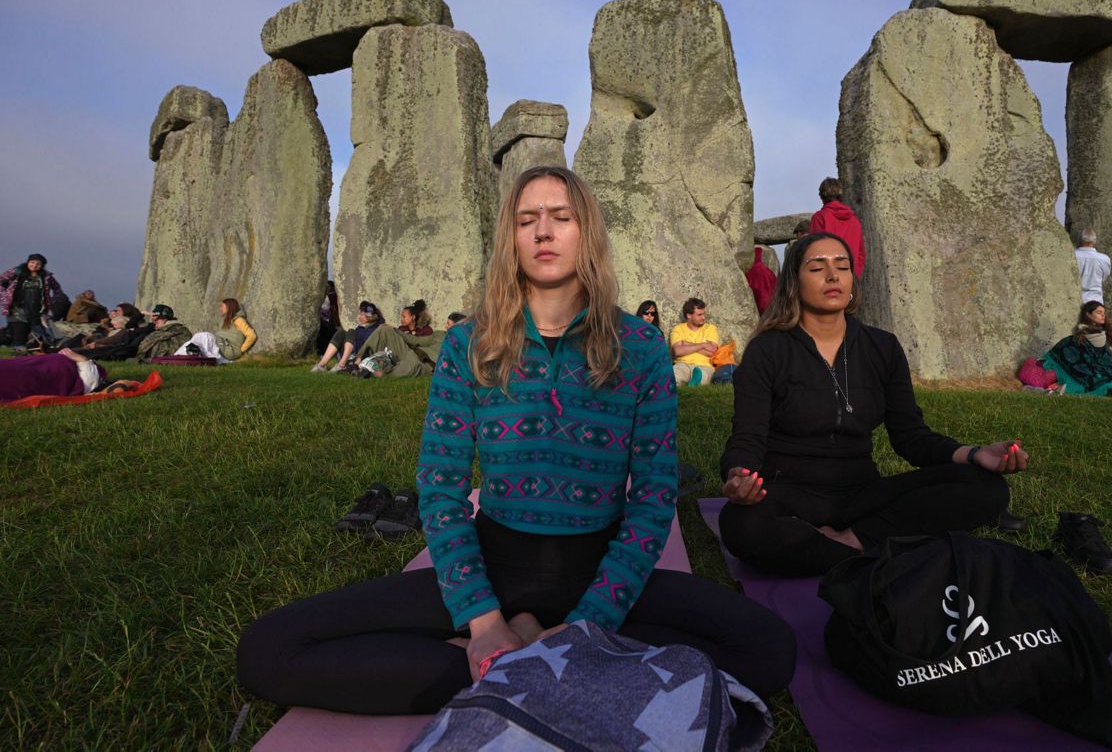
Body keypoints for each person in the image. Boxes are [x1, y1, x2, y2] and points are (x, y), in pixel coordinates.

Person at [237, 165, 795, 715]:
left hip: (600, 569)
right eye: (527, 219)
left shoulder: (642, 348)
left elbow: (652, 498)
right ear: (511, 237)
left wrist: (586, 625)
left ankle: (528, 660)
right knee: (270, 650)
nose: (544, 232)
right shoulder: (467, 345)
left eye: (561, 217)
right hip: (493, 564)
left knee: (769, 649)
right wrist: (482, 620)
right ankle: (521, 659)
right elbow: (441, 487)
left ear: (588, 233)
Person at [717, 233, 1024, 576]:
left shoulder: (883, 347)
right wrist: (738, 476)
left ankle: (853, 543)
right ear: (794, 282)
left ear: (852, 280)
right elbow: (748, 436)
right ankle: (885, 553)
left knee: (986, 488)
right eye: (817, 268)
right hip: (790, 495)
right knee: (740, 525)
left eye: (842, 267)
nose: (832, 276)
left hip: (862, 495)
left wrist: (974, 454)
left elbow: (912, 438)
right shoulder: (768, 349)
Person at [1040, 303, 1112, 397]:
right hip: (1101, 373)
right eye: (1099, 312)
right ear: (1088, 314)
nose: (1103, 315)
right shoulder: (1079, 338)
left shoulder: (1110, 334)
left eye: (1104, 312)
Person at [0, 254, 64, 349]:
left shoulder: (46, 277)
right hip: (16, 309)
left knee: (44, 334)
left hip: (37, 311)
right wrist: (4, 296)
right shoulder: (16, 271)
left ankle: (48, 350)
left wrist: (52, 300)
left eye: (38, 264)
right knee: (20, 332)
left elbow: (57, 289)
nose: (34, 265)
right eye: (32, 262)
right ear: (28, 262)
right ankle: (20, 353)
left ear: (42, 266)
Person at [808, 177, 866, 278]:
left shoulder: (819, 218)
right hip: (850, 275)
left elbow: (813, 250)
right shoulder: (855, 221)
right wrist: (854, 274)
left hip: (828, 276)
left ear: (822, 196)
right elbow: (861, 254)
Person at [0, 348, 108, 402]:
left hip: (57, 371)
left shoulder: (83, 379)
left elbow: (90, 383)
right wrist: (81, 359)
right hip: (55, 368)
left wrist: (81, 359)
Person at [310, 301, 384, 372]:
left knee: (351, 331)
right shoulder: (361, 327)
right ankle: (321, 365)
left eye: (362, 315)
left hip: (358, 357)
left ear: (369, 317)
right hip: (349, 355)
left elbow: (366, 346)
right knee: (341, 332)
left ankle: (341, 365)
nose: (359, 316)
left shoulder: (374, 329)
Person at [178, 299, 257, 362]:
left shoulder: (239, 320)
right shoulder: (227, 320)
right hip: (223, 345)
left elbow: (252, 335)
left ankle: (188, 356)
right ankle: (178, 356)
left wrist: (241, 350)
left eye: (222, 306)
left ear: (229, 307)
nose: (220, 309)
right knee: (198, 339)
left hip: (230, 350)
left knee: (205, 336)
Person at [669, 297, 721, 386]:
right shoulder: (678, 329)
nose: (703, 317)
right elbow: (678, 351)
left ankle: (696, 382)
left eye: (704, 314)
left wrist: (685, 344)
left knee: (702, 375)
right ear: (689, 315)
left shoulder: (710, 329)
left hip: (705, 365)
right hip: (683, 364)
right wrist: (703, 345)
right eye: (699, 315)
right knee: (674, 375)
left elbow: (713, 351)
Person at [1074, 228, 1112, 304]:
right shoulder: (1104, 259)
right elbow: (1103, 278)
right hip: (1096, 301)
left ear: (1080, 240)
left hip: (1076, 299)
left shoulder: (1072, 255)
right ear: (1094, 241)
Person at [745, 247, 777, 314]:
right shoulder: (768, 271)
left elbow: (763, 300)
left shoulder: (754, 271)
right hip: (772, 313)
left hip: (762, 316)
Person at [316, 280, 340, 354]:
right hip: (334, 324)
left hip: (328, 324)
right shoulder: (336, 296)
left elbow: (322, 308)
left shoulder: (329, 297)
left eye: (328, 287)